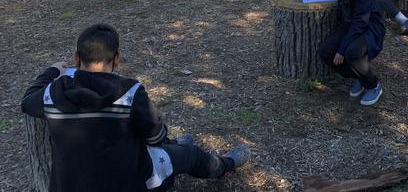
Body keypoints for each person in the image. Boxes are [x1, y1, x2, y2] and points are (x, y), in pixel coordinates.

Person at [21, 23, 251, 192]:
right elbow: (155, 136)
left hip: (69, 185)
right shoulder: (129, 91)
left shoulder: (53, 92)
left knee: (172, 147)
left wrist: (51, 71)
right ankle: (224, 164)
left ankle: (178, 146)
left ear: (76, 58)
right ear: (117, 58)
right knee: (189, 154)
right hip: (132, 182)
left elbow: (27, 102)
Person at [317, 0, 386, 106]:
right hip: (349, 25)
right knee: (325, 51)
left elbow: (360, 24)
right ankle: (358, 77)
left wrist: (341, 50)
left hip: (369, 28)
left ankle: (373, 85)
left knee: (351, 52)